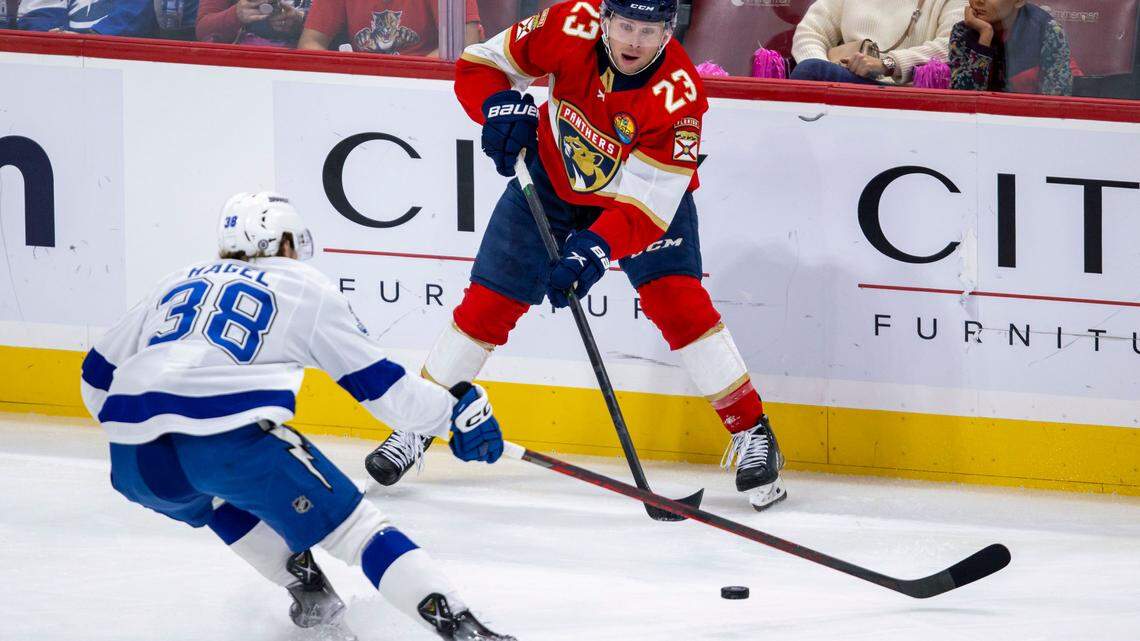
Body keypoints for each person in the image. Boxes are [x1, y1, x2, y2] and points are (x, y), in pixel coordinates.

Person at [365, 0, 788, 512]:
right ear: (604, 19)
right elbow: (480, 64)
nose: (634, 42)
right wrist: (496, 106)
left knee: (680, 304)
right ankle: (418, 422)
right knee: (487, 305)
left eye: (648, 31)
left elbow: (647, 205)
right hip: (551, 181)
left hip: (638, 202)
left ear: (668, 31)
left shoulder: (679, 96)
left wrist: (596, 248)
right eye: (625, 26)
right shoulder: (569, 23)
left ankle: (752, 431)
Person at [79, 192, 515, 641]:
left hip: (133, 460)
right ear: (285, 242)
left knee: (214, 501)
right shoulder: (303, 286)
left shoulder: (176, 281)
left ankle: (309, 592)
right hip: (227, 439)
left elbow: (95, 377)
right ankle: (466, 632)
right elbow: (381, 388)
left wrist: (146, 427)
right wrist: (453, 417)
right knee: (357, 531)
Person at [790, 0, 966, 85]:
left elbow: (952, 46)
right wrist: (826, 74)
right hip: (845, 81)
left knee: (811, 70)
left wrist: (888, 64)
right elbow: (809, 32)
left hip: (906, 92)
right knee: (811, 69)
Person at [948, 0, 1075, 95]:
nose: (979, 1)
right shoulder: (962, 31)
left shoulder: (1047, 31)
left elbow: (1058, 99)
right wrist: (985, 36)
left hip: (1029, 119)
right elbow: (962, 99)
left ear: (1019, 1)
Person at [297, 0, 480, 56]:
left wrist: (403, 75)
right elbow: (310, 43)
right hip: (360, 86)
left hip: (429, 86)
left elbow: (464, 45)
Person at [196, 0, 307, 47]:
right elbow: (203, 30)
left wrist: (301, 22)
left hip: (299, 64)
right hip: (239, 65)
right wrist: (236, 15)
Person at [17, 0, 157, 35]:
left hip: (123, 62)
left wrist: (94, 37)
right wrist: (54, 38)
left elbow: (136, 13)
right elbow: (38, 15)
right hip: (59, 62)